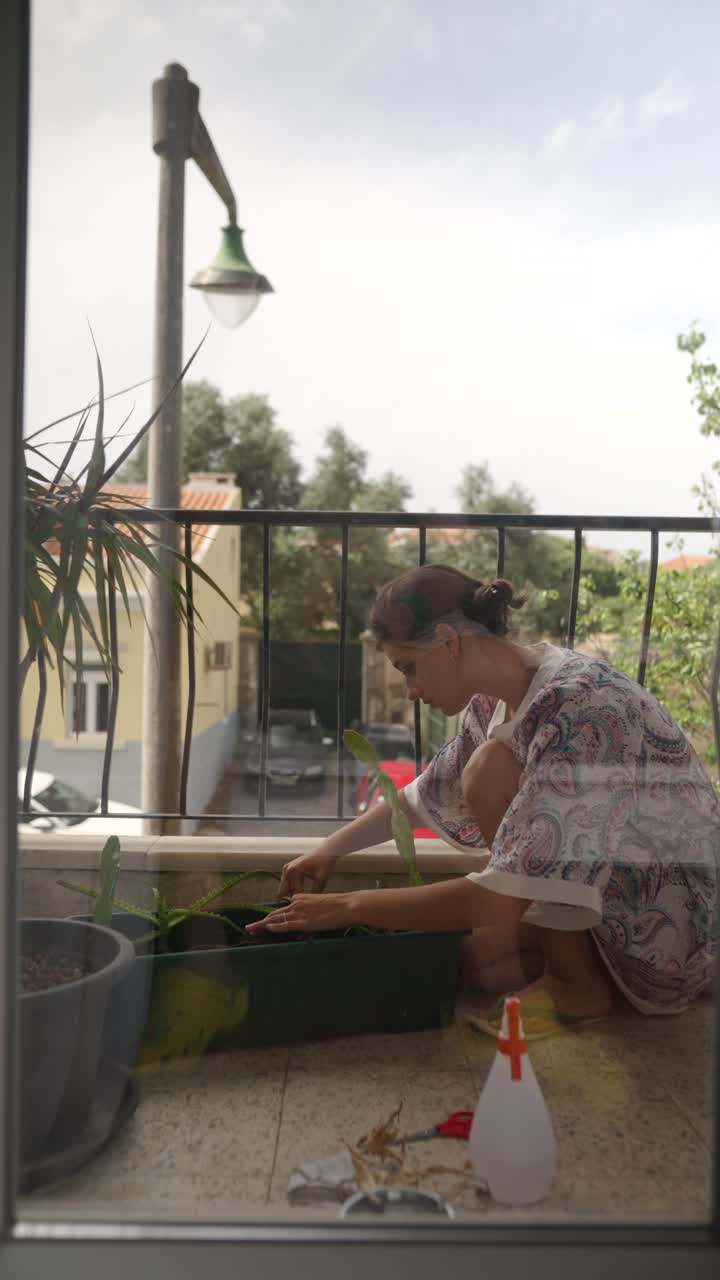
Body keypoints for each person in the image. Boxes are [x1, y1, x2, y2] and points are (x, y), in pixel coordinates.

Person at [247, 563, 719, 1027]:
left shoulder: (581, 707)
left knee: (488, 771)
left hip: (670, 925)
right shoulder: (496, 700)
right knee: (477, 964)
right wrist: (330, 849)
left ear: (451, 642)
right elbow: (422, 795)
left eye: (409, 668)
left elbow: (507, 892)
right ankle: (569, 967)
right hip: (602, 888)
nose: (410, 690)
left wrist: (342, 907)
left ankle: (576, 984)